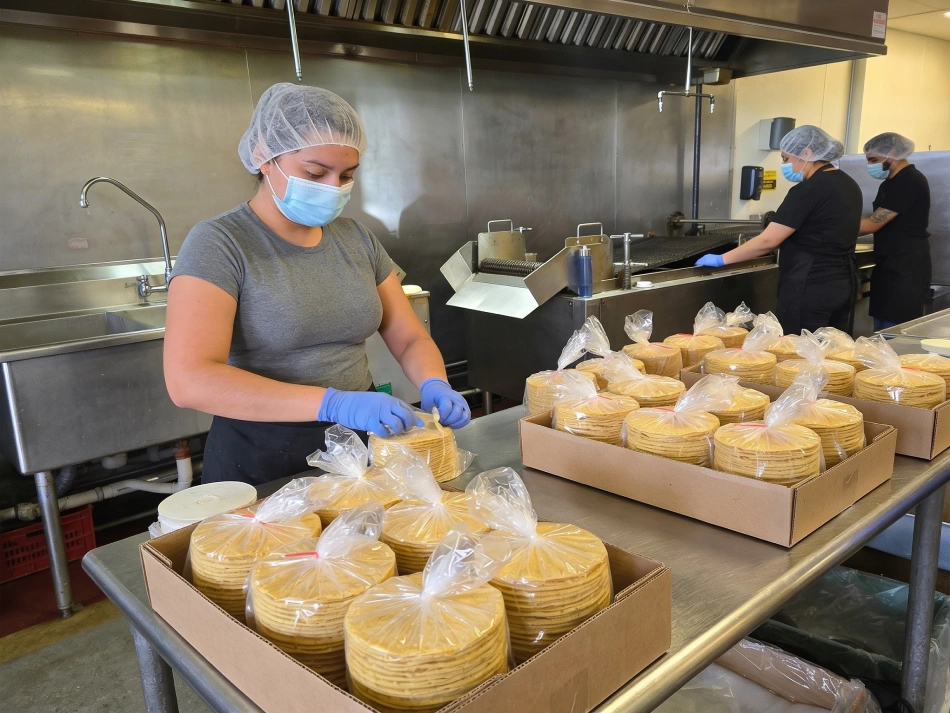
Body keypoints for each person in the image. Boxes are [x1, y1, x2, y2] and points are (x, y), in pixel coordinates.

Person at [163, 83, 470, 485]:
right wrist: (335, 403)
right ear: (264, 157)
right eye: (314, 172)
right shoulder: (221, 243)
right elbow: (190, 380)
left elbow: (409, 337)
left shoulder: (356, 239)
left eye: (345, 175)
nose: (332, 187)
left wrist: (434, 382)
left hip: (359, 447)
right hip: (262, 455)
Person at [695, 125, 862, 335]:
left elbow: (768, 241)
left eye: (785, 159)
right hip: (844, 282)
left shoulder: (808, 190)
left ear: (807, 153)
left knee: (798, 353)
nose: (784, 165)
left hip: (810, 286)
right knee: (831, 350)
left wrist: (721, 259)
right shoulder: (848, 184)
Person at [859, 132, 931, 332]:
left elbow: (873, 224)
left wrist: (831, 227)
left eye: (873, 160)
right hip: (888, 265)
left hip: (906, 269)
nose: (870, 165)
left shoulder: (909, 181)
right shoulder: (889, 183)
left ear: (891, 153)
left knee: (896, 334)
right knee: (881, 332)